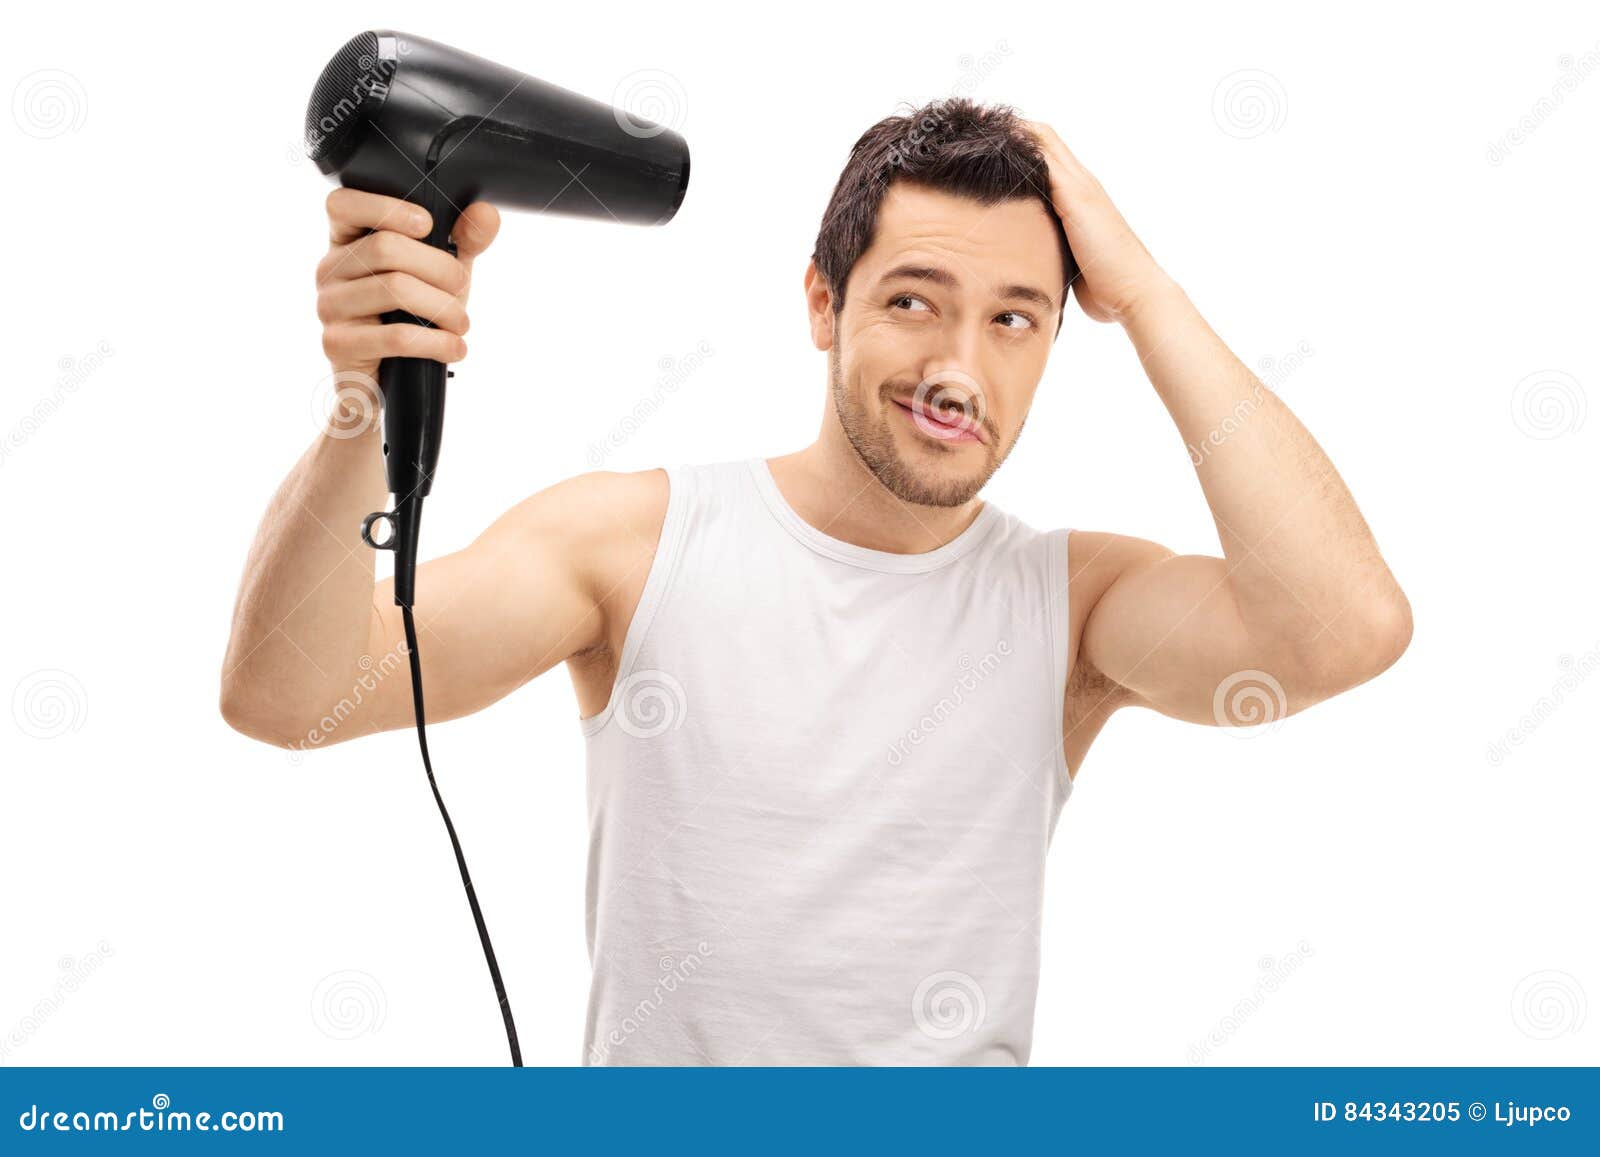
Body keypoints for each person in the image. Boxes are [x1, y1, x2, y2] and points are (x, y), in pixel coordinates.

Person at [220, 97, 1411, 1065]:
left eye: (1015, 319)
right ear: (821, 303)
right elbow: (286, 695)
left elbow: (1342, 630)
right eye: (913, 302)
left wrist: (1143, 292)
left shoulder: (1076, 606)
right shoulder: (629, 544)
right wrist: (361, 395)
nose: (958, 368)